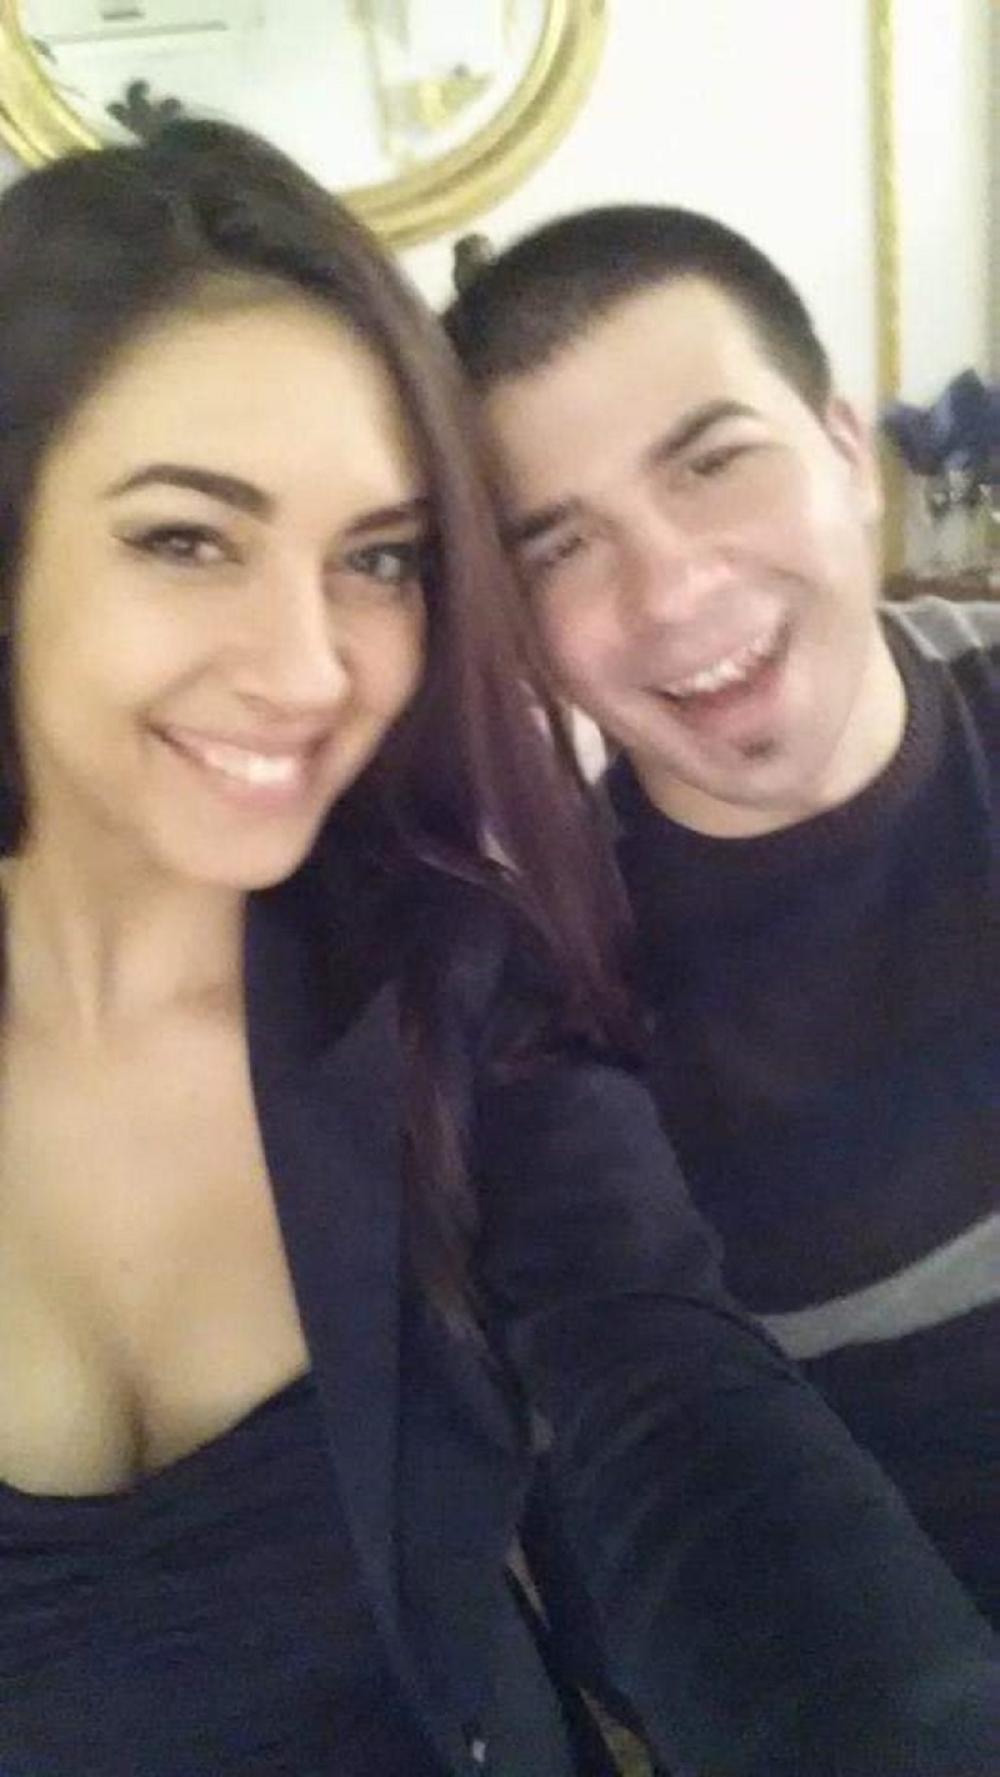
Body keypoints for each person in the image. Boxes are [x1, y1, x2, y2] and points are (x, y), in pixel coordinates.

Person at [0, 128, 995, 1777]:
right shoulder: (563, 896)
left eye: (378, 557)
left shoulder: (448, 964)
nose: (306, 664)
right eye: (186, 537)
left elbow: (662, 1391)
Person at [446, 203, 1000, 1627]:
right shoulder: (535, 989)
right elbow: (652, 1485)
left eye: (711, 462)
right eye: (561, 545)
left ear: (846, 449)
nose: (673, 589)